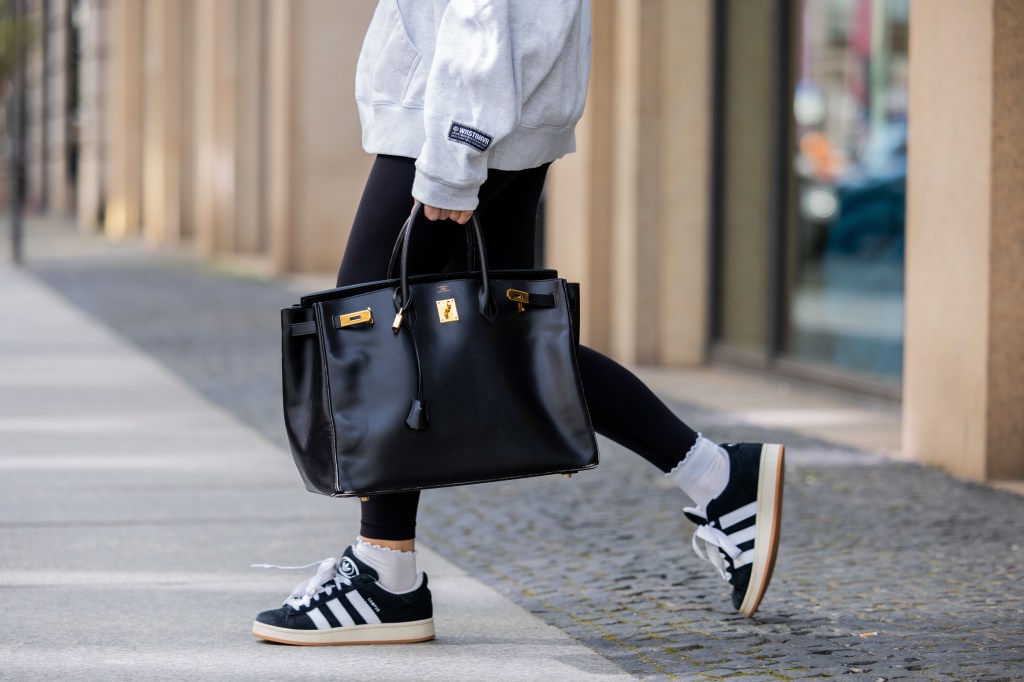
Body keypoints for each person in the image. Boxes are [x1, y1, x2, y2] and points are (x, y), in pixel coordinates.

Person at [251, 0, 784, 646]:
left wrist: (455, 153)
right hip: (489, 115)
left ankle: (384, 574)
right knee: (506, 348)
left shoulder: (457, 129)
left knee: (374, 333)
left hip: (453, 119)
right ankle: (718, 477)